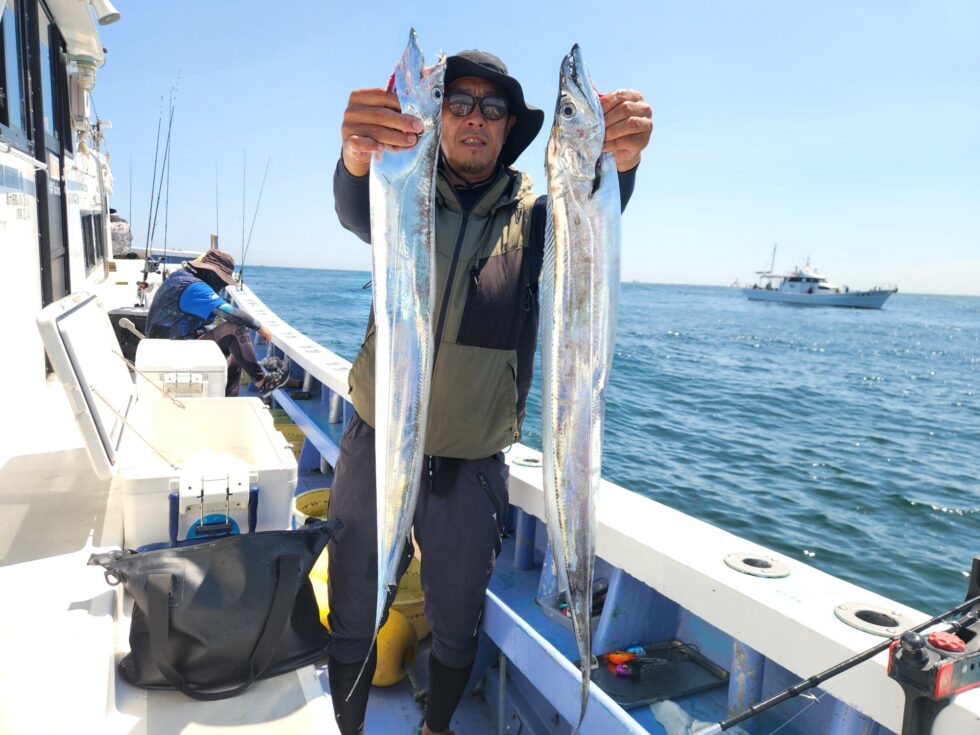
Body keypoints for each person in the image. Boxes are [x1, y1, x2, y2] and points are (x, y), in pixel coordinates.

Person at [329, 49, 653, 735]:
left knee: (456, 622)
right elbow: (355, 205)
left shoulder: (535, 220)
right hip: (375, 444)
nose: (474, 117)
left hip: (471, 467)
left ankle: (435, 728)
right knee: (354, 611)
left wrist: (618, 165)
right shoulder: (401, 196)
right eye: (458, 103)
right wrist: (358, 155)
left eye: (492, 107)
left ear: (509, 129)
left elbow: (587, 224)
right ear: (436, 119)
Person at [144, 249, 288, 396]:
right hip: (173, 352)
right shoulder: (195, 287)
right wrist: (259, 327)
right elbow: (229, 313)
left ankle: (227, 398)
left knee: (236, 355)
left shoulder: (180, 277)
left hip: (160, 347)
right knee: (235, 329)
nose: (222, 284)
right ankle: (263, 381)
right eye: (222, 280)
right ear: (212, 273)